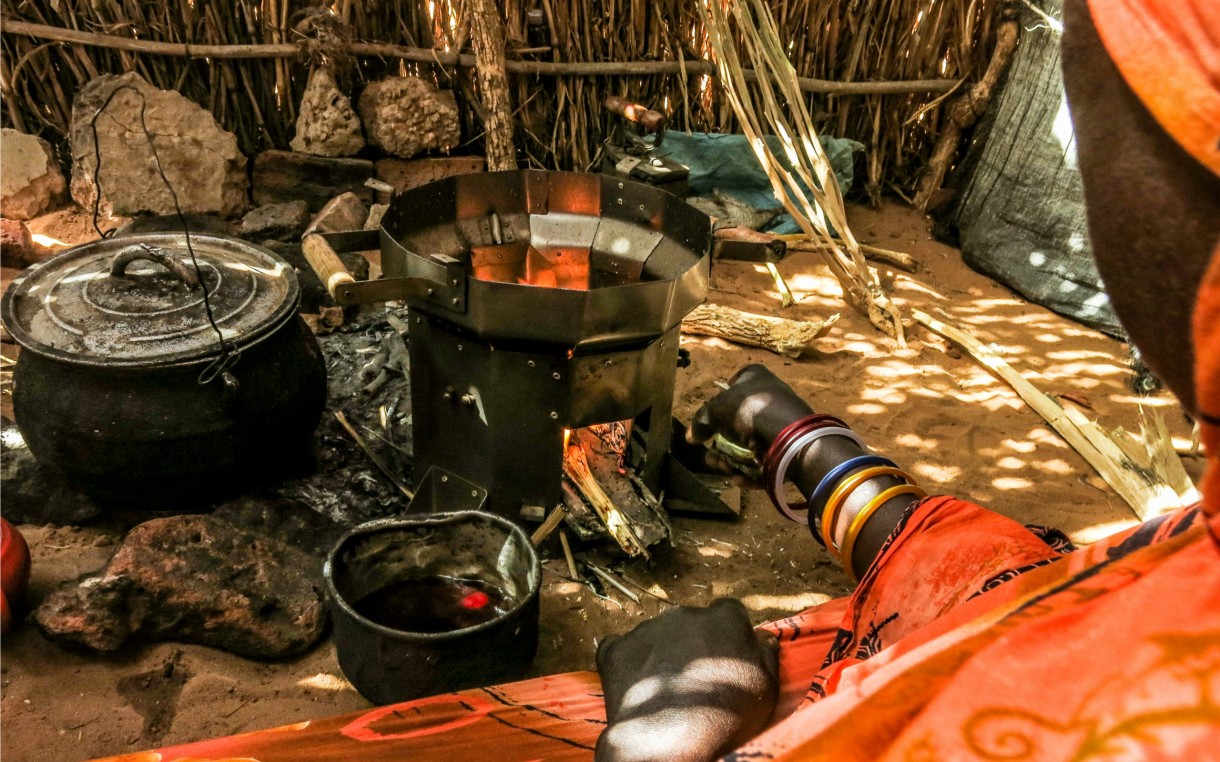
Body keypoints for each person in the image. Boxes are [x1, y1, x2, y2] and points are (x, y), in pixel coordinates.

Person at [97, 1, 1220, 760]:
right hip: (1049, 593)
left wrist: (658, 733)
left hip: (821, 688)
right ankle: (776, 426)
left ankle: (762, 429)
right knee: (963, 551)